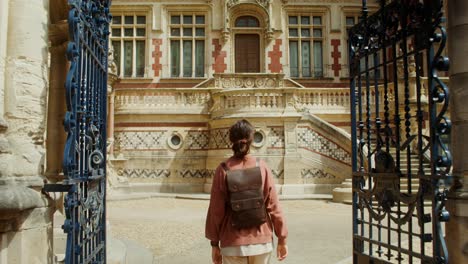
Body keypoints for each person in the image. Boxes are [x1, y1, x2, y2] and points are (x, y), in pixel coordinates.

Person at [205, 119, 288, 264]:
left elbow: (215, 211)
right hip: (262, 243)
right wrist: (282, 238)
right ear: (251, 140)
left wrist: (214, 244)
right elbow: (274, 207)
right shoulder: (262, 167)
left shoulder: (223, 170)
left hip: (232, 244)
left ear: (231, 140)